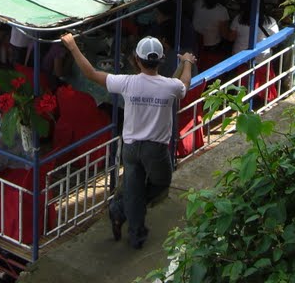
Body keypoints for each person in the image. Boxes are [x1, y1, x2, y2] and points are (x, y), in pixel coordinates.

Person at [61, 32, 195, 250]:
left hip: (131, 148)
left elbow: (90, 73)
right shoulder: (170, 86)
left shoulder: (127, 82)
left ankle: (128, 220)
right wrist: (187, 62)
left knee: (134, 192)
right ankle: (128, 216)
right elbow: (185, 84)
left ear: (136, 60)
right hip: (156, 149)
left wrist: (73, 46)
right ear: (160, 60)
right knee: (160, 183)